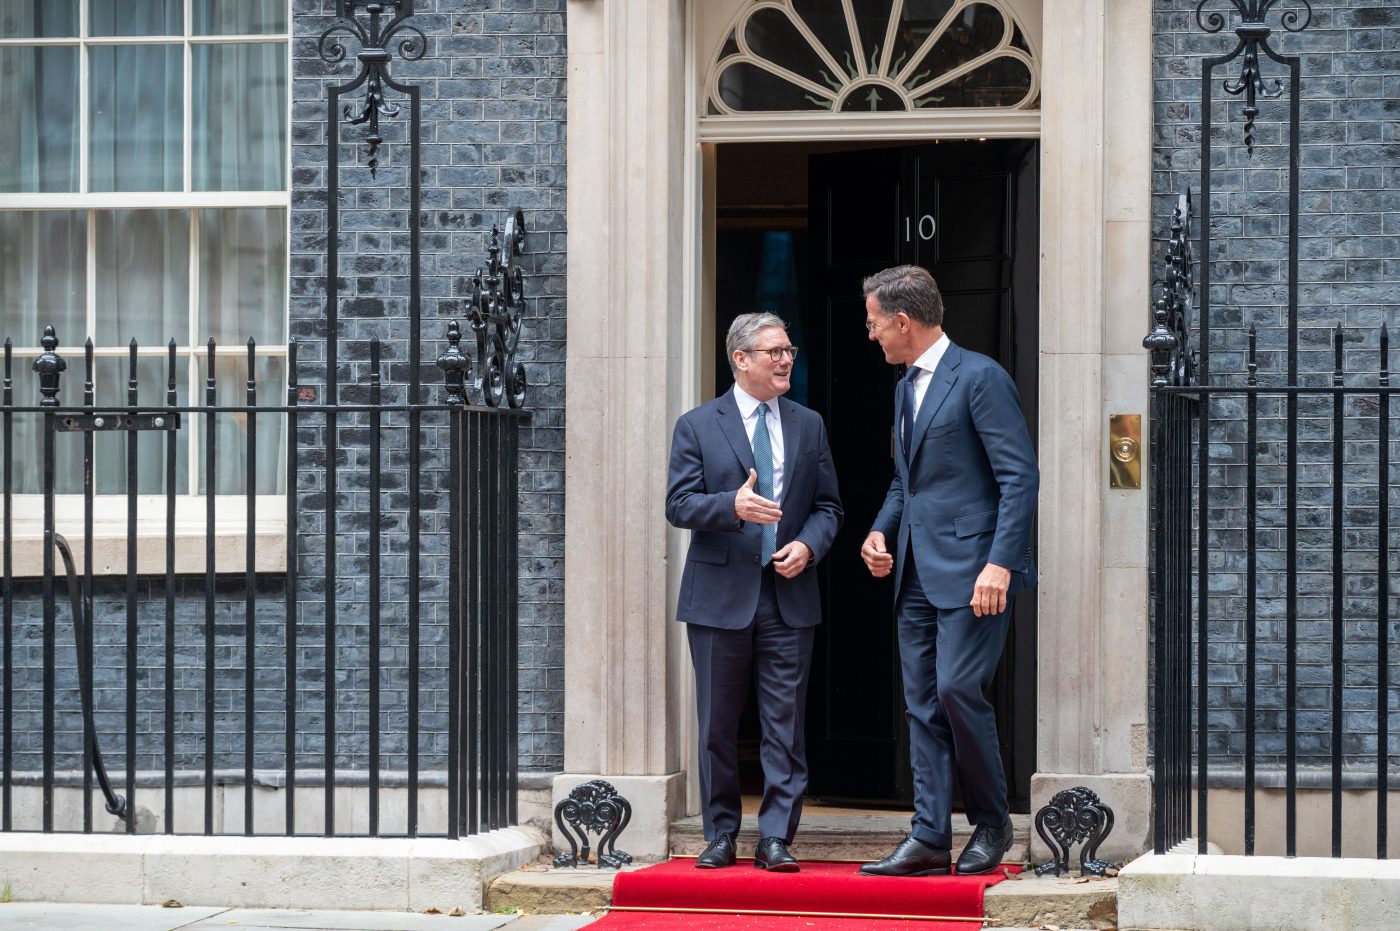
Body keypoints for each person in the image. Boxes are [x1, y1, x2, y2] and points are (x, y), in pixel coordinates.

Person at [856, 266, 1038, 877]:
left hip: (974, 572)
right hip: (913, 571)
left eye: (875, 322)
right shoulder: (904, 388)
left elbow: (1019, 478)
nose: (871, 333)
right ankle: (930, 836)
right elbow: (905, 481)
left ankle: (992, 825)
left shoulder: (981, 377)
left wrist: (1000, 566)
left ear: (903, 322)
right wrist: (880, 529)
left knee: (958, 691)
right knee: (921, 705)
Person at [665, 312, 843, 872]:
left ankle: (775, 838)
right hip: (720, 595)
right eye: (774, 351)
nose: (786, 359)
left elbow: (829, 507)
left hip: (789, 593)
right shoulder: (697, 424)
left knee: (784, 723)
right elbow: (678, 504)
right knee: (717, 722)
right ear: (740, 359)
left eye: (789, 349)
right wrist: (730, 506)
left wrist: (809, 546)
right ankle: (720, 833)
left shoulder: (809, 424)